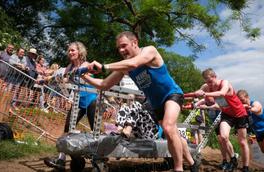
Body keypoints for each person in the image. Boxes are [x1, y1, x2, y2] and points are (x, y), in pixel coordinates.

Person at [83, 31, 199, 172]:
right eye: (119, 48)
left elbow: (135, 63)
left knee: (168, 128)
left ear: (135, 42)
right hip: (156, 104)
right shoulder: (125, 68)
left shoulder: (150, 51)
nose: (121, 50)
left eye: (124, 46)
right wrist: (83, 76)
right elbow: (104, 84)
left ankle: (178, 168)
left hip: (172, 95)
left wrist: (104, 66)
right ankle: (193, 163)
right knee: (172, 133)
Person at [43, 42, 98, 170]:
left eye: (73, 50)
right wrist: (48, 79)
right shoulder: (70, 66)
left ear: (80, 52)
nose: (70, 53)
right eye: (68, 51)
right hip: (78, 101)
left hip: (91, 101)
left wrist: (74, 74)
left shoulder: (85, 65)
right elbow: (65, 78)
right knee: (68, 128)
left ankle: (97, 160)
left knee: (95, 131)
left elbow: (85, 76)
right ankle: (61, 160)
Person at [194, 68, 249, 172]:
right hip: (227, 114)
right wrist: (197, 96)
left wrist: (205, 94)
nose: (209, 84)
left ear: (215, 77)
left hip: (239, 113)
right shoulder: (207, 86)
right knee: (223, 136)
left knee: (242, 142)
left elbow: (222, 93)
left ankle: (246, 167)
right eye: (206, 82)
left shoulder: (225, 83)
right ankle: (233, 159)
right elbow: (200, 93)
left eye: (210, 81)